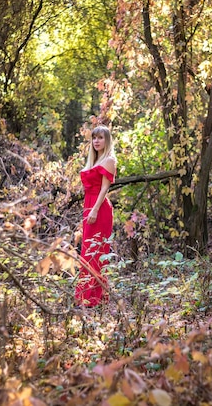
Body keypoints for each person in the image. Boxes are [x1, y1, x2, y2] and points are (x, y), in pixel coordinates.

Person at [74, 125, 117, 307]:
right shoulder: (93, 161)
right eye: (94, 138)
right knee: (87, 251)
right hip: (89, 205)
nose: (97, 141)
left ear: (106, 140)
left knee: (96, 252)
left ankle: (95, 298)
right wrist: (88, 209)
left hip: (99, 208)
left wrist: (95, 209)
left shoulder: (109, 160)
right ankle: (85, 296)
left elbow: (105, 188)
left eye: (100, 137)